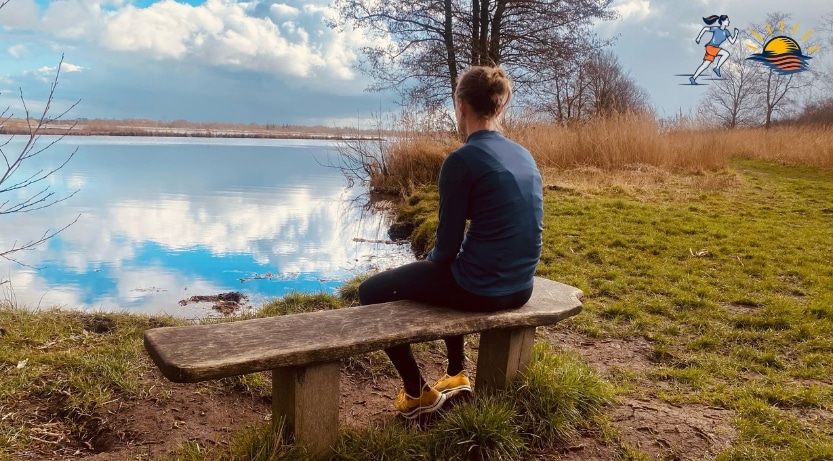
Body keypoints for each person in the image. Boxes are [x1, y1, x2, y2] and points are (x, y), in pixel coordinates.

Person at [357, 65, 543, 420]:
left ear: (460, 107)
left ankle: (416, 394)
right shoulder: (523, 154)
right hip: (521, 287)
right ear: (500, 108)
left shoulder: (462, 160)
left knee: (370, 292)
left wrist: (425, 266)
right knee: (449, 270)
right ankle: (456, 373)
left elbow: (445, 248)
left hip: (482, 290)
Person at [690, 14, 739, 85]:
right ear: (722, 21)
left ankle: (693, 78)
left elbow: (732, 41)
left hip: (714, 49)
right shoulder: (716, 29)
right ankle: (717, 67)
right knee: (726, 54)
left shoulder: (726, 32)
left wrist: (736, 34)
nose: (729, 22)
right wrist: (698, 38)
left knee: (705, 65)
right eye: (727, 20)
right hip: (710, 47)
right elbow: (705, 28)